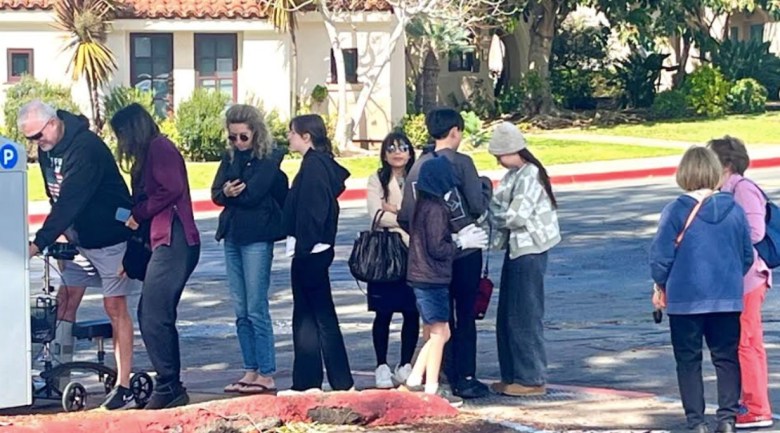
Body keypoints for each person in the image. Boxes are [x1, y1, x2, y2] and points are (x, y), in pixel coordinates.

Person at [19, 99, 140, 410]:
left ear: (53, 123)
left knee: (114, 307)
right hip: (80, 240)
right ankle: (55, 375)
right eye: (30, 139)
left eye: (38, 137)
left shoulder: (85, 149)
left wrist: (37, 244)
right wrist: (61, 235)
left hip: (111, 237)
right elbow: (54, 194)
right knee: (65, 301)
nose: (36, 145)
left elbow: (70, 201)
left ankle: (124, 385)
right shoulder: (48, 151)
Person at [649, 146, 753, 433]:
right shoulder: (734, 209)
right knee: (726, 358)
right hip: (726, 299)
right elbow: (746, 255)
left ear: (684, 173)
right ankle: (728, 418)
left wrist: (660, 283)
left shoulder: (675, 210)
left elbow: (661, 257)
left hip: (686, 299)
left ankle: (696, 421)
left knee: (688, 360)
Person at [110, 103, 201, 409]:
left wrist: (139, 212)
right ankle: (168, 382)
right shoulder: (152, 151)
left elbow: (171, 189)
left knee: (153, 314)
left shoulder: (159, 148)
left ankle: (169, 384)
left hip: (174, 239)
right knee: (153, 313)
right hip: (165, 239)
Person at [398, 107, 492, 399]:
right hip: (463, 254)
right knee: (464, 314)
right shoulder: (461, 163)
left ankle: (440, 372)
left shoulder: (418, 166)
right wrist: (486, 188)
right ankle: (465, 376)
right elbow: (476, 205)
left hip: (429, 258)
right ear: (455, 131)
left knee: (438, 320)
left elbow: (405, 215)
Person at [212, 104, 288, 394]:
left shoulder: (268, 157)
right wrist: (228, 193)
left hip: (257, 235)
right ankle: (250, 368)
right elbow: (217, 192)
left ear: (256, 133)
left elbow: (254, 193)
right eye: (232, 137)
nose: (237, 143)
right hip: (232, 234)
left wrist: (231, 194)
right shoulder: (230, 156)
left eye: (243, 137)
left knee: (256, 307)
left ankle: (266, 372)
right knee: (240, 309)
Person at [487, 122, 561, 397]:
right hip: (516, 248)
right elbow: (498, 206)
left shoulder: (530, 175)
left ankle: (531, 378)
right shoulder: (513, 176)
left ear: (511, 150)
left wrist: (495, 214)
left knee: (525, 315)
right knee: (507, 315)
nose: (497, 160)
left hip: (530, 250)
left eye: (499, 155)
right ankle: (513, 374)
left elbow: (515, 216)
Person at [282, 114, 354, 392]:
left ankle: (340, 381)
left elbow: (313, 211)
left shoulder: (314, 167)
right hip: (313, 250)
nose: (289, 137)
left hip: (311, 251)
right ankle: (307, 381)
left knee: (320, 317)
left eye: (292, 132)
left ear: (306, 136)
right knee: (307, 318)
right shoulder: (316, 164)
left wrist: (303, 248)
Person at [707, 136, 773, 429]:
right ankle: (751, 403)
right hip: (736, 279)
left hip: (747, 279)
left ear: (727, 164)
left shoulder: (743, 190)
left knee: (746, 343)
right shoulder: (725, 191)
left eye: (712, 161)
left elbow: (755, 232)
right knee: (743, 342)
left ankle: (756, 407)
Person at [365, 132, 419, 389]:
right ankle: (381, 365)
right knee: (383, 312)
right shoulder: (377, 179)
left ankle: (405, 364)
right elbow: (376, 215)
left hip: (415, 252)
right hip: (386, 253)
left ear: (410, 152)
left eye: (403, 148)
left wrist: (394, 210)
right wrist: (403, 217)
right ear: (384, 153)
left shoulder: (417, 176)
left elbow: (422, 212)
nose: (398, 152)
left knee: (412, 311)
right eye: (391, 148)